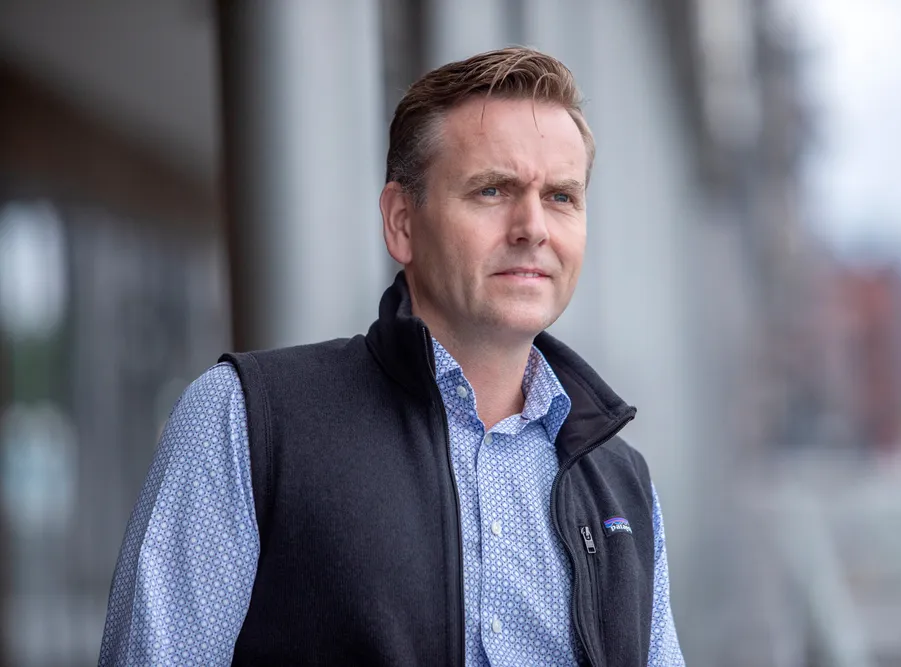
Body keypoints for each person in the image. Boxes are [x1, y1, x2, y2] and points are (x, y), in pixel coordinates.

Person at [99, 47, 685, 667]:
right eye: (492, 190)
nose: (533, 227)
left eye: (562, 197)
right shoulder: (245, 420)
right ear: (402, 221)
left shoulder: (622, 483)